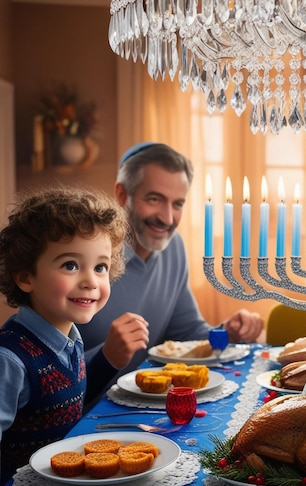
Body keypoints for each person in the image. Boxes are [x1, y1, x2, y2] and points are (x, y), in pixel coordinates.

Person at [78, 143, 263, 399]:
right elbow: (46, 369)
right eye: (154, 199)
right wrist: (106, 356)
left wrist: (227, 332)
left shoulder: (173, 247)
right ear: (122, 195)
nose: (166, 218)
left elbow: (186, 333)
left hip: (141, 405)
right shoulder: (85, 255)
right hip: (83, 415)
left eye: (177, 204)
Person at [0, 186, 127, 484]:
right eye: (70, 265)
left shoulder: (70, 339)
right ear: (25, 276)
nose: (90, 281)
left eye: (100, 267)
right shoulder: (11, 359)